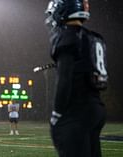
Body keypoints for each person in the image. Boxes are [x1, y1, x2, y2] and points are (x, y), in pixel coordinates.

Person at [45, 0, 107, 157]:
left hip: (75, 111)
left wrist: (57, 114)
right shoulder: (94, 37)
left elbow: (65, 80)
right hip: (95, 107)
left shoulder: (68, 36)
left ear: (64, 9)